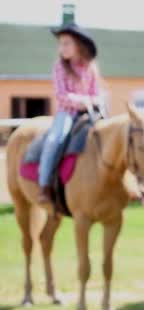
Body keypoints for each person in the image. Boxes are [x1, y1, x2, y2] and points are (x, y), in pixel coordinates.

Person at [38, 22, 102, 203]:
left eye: (66, 43)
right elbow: (61, 95)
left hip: (90, 112)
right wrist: (83, 101)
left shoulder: (91, 67)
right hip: (66, 114)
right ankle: (44, 185)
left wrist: (91, 102)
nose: (62, 47)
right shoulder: (59, 66)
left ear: (78, 45)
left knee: (109, 137)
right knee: (54, 140)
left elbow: (97, 94)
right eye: (61, 43)